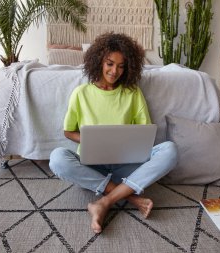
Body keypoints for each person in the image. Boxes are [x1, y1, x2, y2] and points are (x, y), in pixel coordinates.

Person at [49, 32, 178, 234]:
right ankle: (130, 197)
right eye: (110, 63)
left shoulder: (132, 92)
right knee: (57, 158)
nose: (114, 71)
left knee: (170, 150)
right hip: (92, 165)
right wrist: (90, 140)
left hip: (126, 166)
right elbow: (68, 131)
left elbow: (145, 132)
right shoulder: (81, 93)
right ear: (99, 61)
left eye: (121, 66)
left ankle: (104, 202)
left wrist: (130, 142)